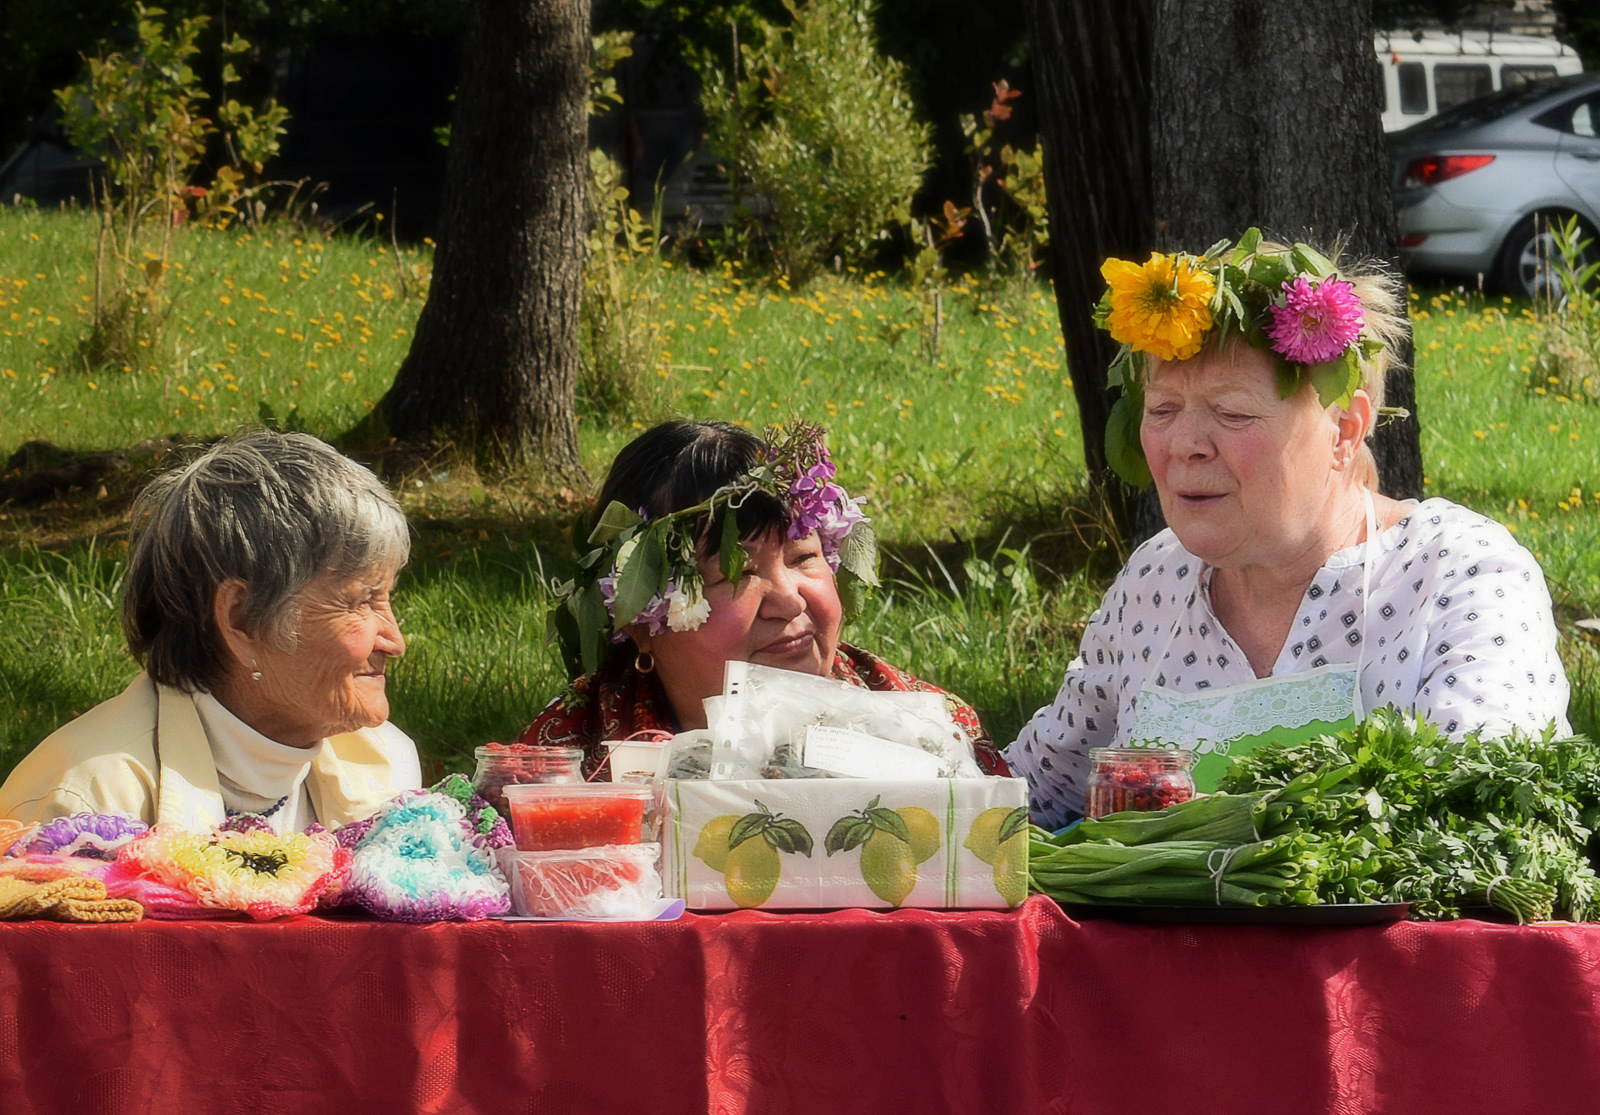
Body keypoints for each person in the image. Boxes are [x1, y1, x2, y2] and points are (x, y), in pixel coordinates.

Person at [1006, 230, 1571, 829]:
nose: (1185, 446)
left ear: (1345, 430)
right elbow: (1035, 792)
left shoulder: (1457, 572)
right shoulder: (1156, 578)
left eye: (1233, 413)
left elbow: (1482, 816)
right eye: (1162, 410)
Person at [520, 419, 1008, 776]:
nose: (791, 601)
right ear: (640, 621)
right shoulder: (564, 768)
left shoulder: (937, 734)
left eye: (803, 558)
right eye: (739, 573)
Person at [0, 430, 422, 831]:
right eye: (361, 602)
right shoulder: (83, 808)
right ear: (241, 619)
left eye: (387, 597)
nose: (395, 641)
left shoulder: (386, 766)